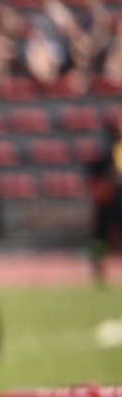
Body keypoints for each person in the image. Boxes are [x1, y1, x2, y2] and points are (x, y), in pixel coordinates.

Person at [86, 114, 122, 286]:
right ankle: (97, 264)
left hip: (117, 198)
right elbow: (94, 174)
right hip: (107, 199)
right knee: (100, 235)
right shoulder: (103, 151)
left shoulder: (116, 149)